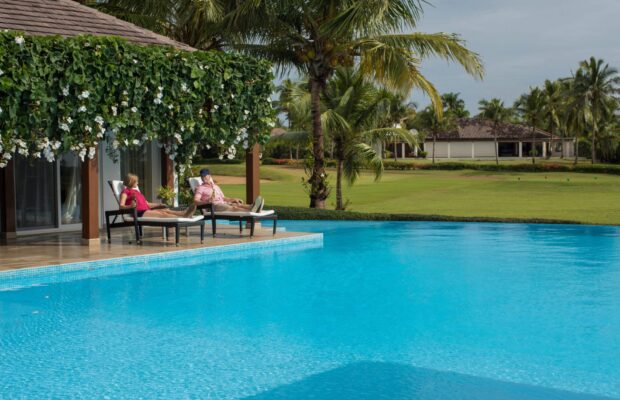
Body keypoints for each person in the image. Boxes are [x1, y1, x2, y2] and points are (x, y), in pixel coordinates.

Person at [119, 173, 196, 218]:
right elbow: (121, 206)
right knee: (162, 214)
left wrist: (159, 204)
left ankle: (184, 213)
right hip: (138, 213)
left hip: (146, 210)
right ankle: (182, 218)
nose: (138, 183)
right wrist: (130, 206)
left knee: (165, 210)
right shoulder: (125, 192)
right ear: (131, 182)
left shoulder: (137, 192)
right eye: (136, 182)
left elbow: (147, 204)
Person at [193, 168, 264, 212]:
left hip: (222, 203)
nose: (203, 177)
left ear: (209, 176)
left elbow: (224, 198)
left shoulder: (216, 186)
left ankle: (252, 206)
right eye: (202, 176)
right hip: (213, 206)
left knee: (238, 204)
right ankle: (251, 211)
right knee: (233, 207)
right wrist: (207, 201)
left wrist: (233, 199)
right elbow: (196, 201)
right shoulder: (200, 188)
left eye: (205, 175)